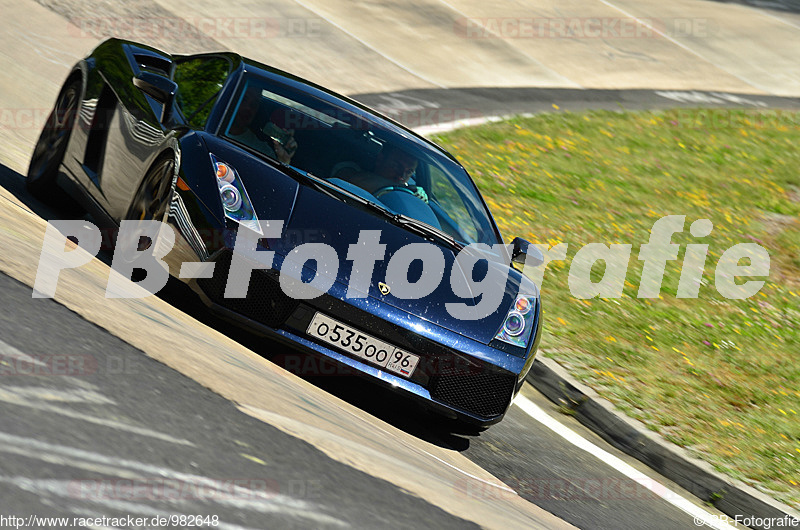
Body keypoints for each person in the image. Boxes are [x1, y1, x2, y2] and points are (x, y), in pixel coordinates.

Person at [334, 143, 428, 202]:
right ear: (380, 159)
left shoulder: (408, 190)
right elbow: (352, 180)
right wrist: (404, 189)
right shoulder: (352, 167)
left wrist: (419, 198)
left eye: (409, 171)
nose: (401, 176)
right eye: (396, 166)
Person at [228, 85, 298, 164]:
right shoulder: (213, 123)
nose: (249, 108)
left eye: (254, 104)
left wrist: (283, 161)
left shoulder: (263, 151)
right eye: (244, 99)